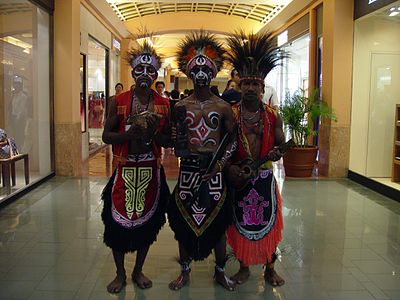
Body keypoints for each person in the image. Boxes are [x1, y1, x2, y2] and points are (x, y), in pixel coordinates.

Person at [168, 31, 237, 291]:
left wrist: (220, 165)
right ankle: (185, 271)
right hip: (188, 172)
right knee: (184, 222)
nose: (200, 73)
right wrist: (175, 140)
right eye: (194, 69)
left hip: (214, 172)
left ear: (212, 71)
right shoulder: (180, 106)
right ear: (187, 73)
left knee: (218, 226)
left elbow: (232, 139)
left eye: (204, 68)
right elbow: (176, 140)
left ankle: (220, 271)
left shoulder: (222, 107)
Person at [101, 40, 171, 293]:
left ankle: (137, 270)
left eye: (150, 71)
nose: (145, 74)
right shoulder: (118, 100)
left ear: (156, 74)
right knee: (115, 223)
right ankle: (120, 273)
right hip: (124, 168)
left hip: (152, 168)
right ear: (132, 72)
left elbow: (168, 140)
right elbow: (106, 136)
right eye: (139, 70)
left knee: (148, 224)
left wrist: (153, 134)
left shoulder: (164, 104)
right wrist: (129, 136)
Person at [224, 30, 286, 286]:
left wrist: (277, 152)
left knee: (269, 223)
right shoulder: (231, 114)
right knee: (239, 224)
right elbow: (224, 148)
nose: (250, 88)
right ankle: (244, 266)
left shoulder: (273, 115)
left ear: (262, 88)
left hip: (264, 176)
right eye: (246, 83)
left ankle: (270, 268)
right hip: (240, 177)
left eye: (255, 84)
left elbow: (282, 144)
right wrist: (231, 169)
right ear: (239, 86)